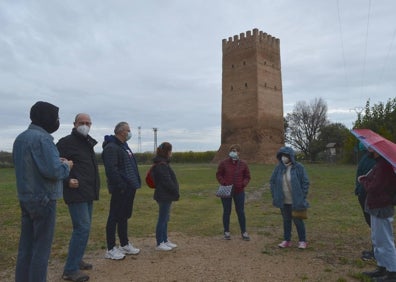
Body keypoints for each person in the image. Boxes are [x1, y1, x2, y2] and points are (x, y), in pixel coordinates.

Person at [13, 101, 73, 282]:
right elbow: (54, 172)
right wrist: (66, 165)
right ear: (47, 118)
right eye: (56, 117)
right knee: (41, 249)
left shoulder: (21, 138)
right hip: (44, 199)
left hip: (25, 197)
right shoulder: (44, 139)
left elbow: (34, 164)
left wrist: (56, 160)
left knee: (26, 247)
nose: (57, 121)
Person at [56, 113, 100, 282]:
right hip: (75, 192)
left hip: (88, 191)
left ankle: (77, 259)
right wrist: (67, 180)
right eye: (82, 122)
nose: (85, 125)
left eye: (88, 122)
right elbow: (55, 164)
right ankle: (70, 270)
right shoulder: (65, 142)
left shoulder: (87, 142)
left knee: (83, 228)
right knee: (82, 228)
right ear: (74, 124)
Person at [102, 121, 141, 260]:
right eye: (128, 130)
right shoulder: (111, 147)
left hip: (130, 187)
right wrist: (121, 185)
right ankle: (111, 248)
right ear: (120, 131)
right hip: (121, 189)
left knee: (123, 216)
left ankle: (124, 244)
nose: (129, 132)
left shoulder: (124, 146)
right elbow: (111, 170)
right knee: (114, 217)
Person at [359, 148, 396, 281]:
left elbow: (373, 187)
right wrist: (367, 178)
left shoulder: (384, 166)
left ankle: (392, 272)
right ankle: (382, 268)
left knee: (385, 240)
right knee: (378, 240)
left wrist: (363, 181)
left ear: (377, 151)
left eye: (370, 148)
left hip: (382, 207)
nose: (368, 150)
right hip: (376, 206)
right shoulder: (380, 164)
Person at [269, 146, 310, 249]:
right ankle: (287, 240)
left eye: (286, 155)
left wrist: (302, 195)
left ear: (290, 156)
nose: (284, 157)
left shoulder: (299, 167)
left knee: (298, 220)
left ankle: (302, 240)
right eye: (282, 155)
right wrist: (275, 194)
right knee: (286, 220)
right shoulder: (278, 168)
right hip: (283, 200)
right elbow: (272, 181)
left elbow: (305, 182)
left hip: (295, 200)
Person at [216, 144, 251, 241]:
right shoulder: (223, 163)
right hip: (227, 191)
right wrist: (223, 182)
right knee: (227, 211)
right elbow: (219, 174)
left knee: (240, 212)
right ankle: (226, 232)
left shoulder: (243, 164)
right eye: (232, 150)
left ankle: (244, 232)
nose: (233, 152)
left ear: (239, 152)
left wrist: (243, 184)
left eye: (235, 150)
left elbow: (247, 176)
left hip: (239, 191)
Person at [151, 142, 180, 251]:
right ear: (167, 152)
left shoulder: (163, 163)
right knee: (162, 219)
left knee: (165, 218)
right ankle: (160, 242)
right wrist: (175, 191)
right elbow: (166, 181)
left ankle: (165, 239)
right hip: (164, 195)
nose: (171, 153)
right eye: (170, 150)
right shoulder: (161, 164)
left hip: (166, 195)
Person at [354, 142, 376, 261]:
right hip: (363, 194)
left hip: (372, 197)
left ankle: (376, 251)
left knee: (376, 224)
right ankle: (375, 249)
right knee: (371, 223)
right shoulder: (365, 157)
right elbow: (360, 173)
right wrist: (358, 188)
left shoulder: (378, 161)